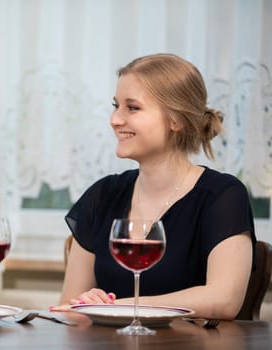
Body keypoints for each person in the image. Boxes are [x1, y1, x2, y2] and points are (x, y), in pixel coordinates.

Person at [58, 53, 255, 320]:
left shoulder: (222, 196)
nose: (115, 119)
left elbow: (224, 300)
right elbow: (70, 310)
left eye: (132, 108)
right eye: (115, 106)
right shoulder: (102, 195)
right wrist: (85, 304)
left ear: (176, 120)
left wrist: (116, 307)